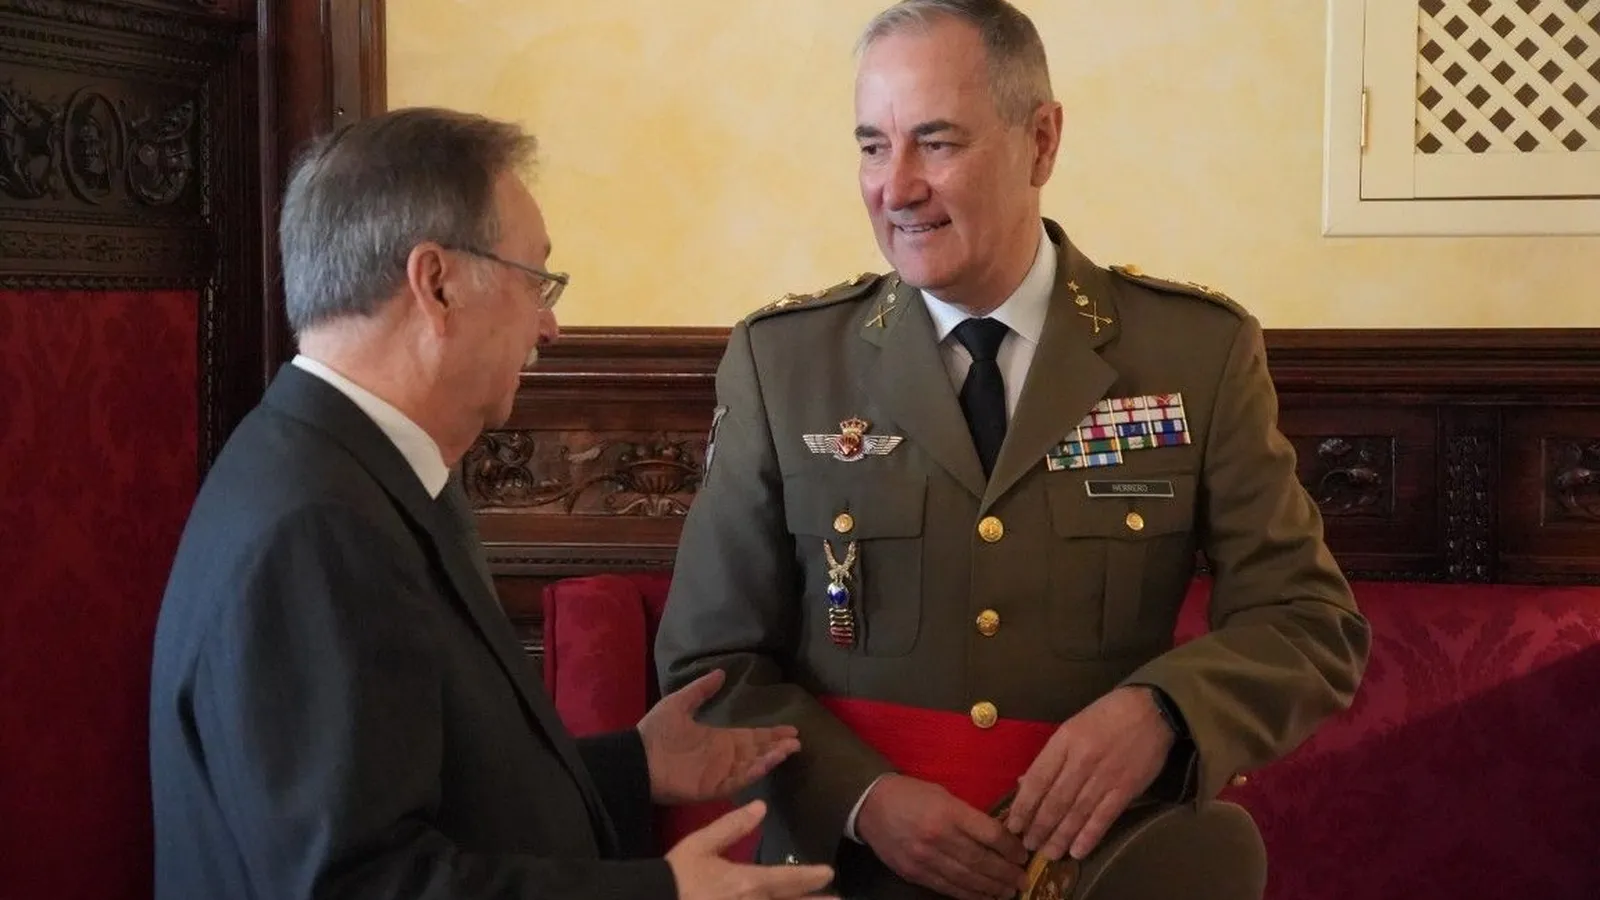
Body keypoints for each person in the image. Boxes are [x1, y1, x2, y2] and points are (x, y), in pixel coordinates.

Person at [654, 2, 1371, 898]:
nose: (896, 187)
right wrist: (864, 798)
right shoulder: (786, 362)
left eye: (936, 143)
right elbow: (709, 667)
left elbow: (1308, 621)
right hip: (850, 874)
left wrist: (1164, 712)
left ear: (1041, 141)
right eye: (873, 147)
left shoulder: (1194, 354)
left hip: (1101, 871)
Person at [148, 107, 840, 900]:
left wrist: (631, 766)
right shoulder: (316, 528)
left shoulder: (356, 470)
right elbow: (356, 882)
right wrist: (663, 893)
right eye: (535, 281)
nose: (550, 325)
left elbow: (410, 783)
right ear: (437, 285)